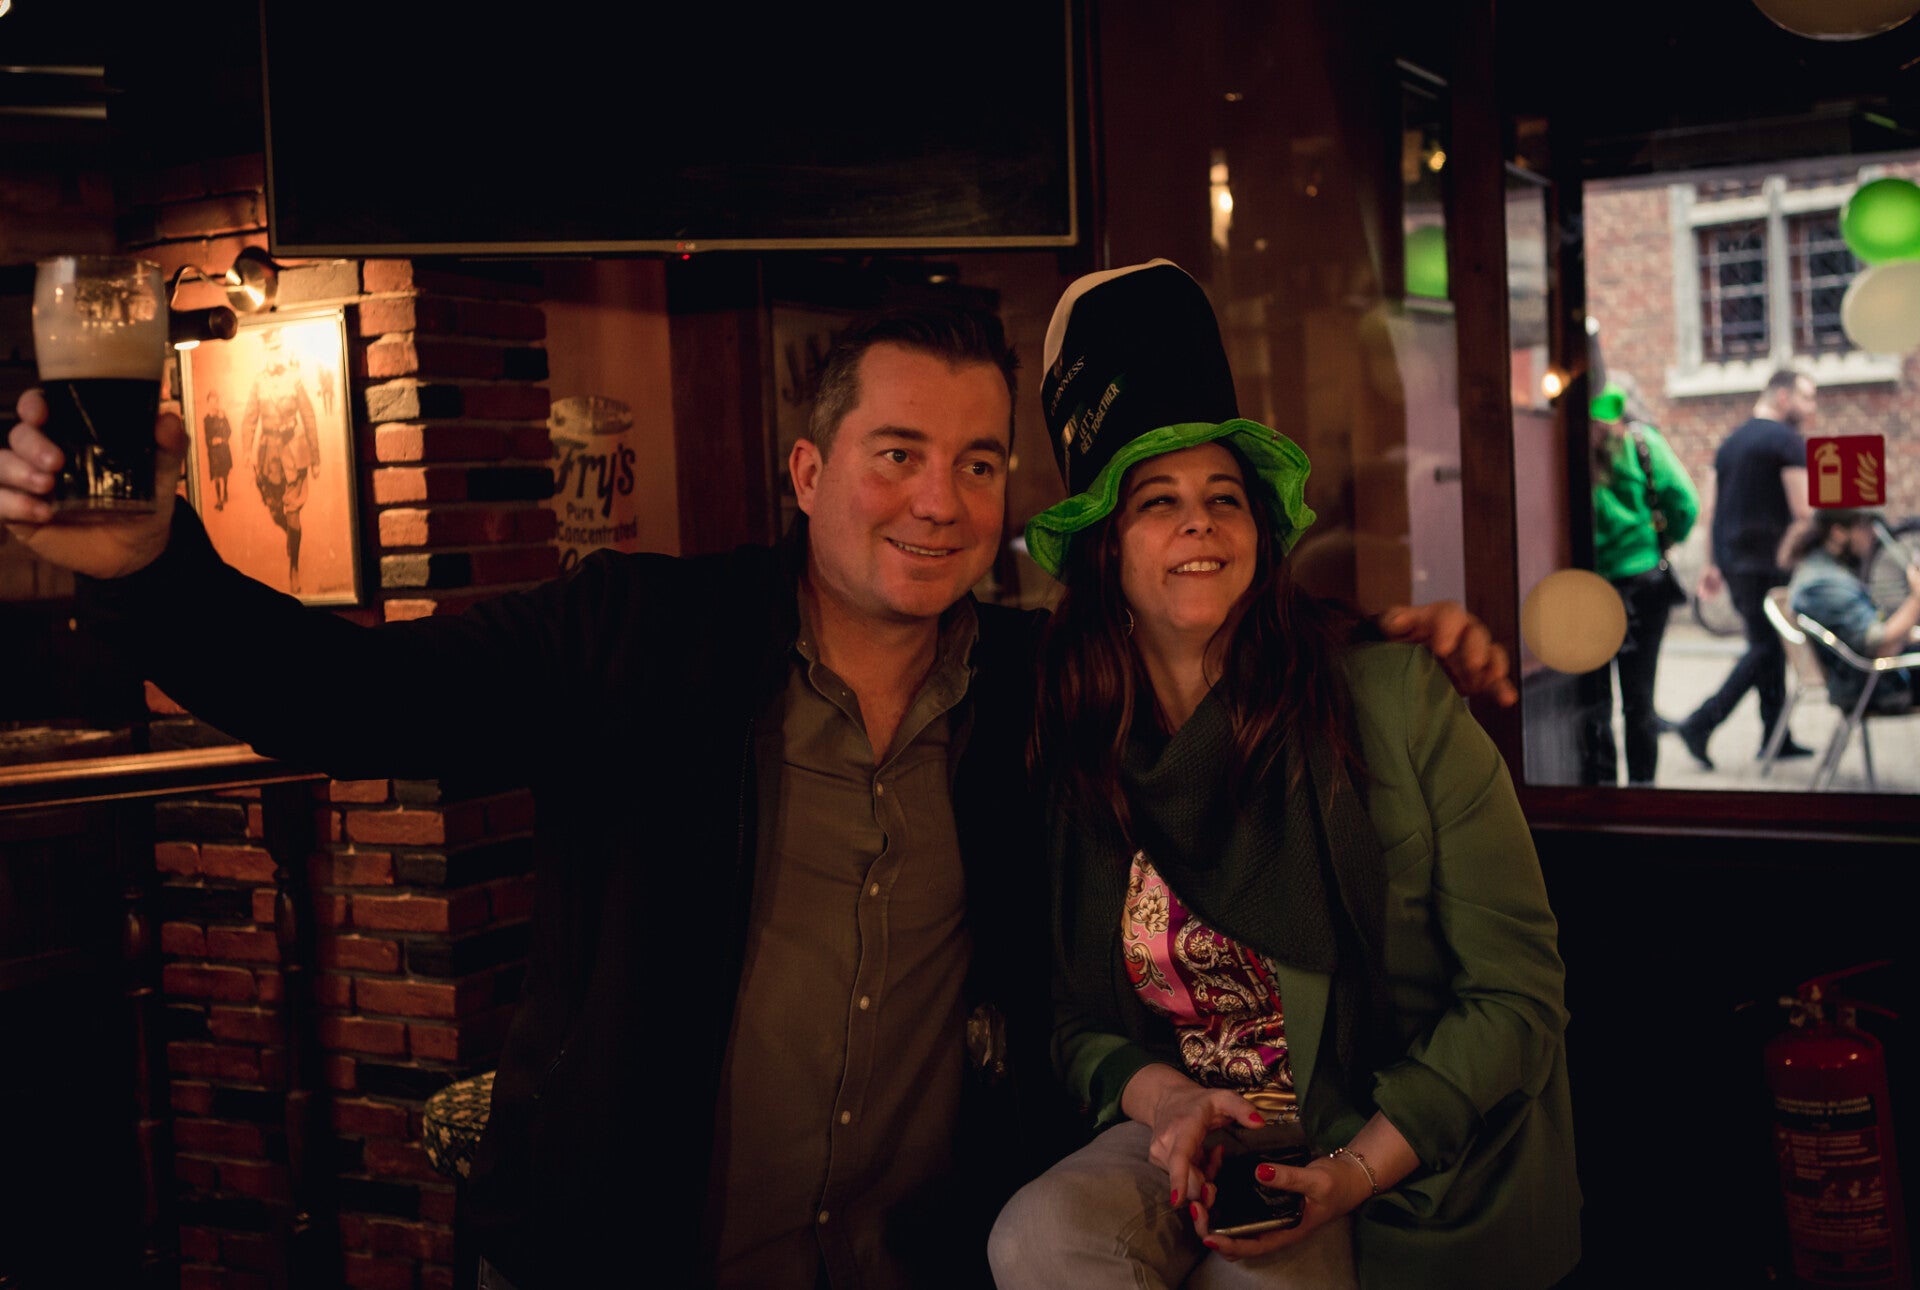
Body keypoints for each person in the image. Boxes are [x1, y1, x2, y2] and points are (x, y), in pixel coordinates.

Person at [0, 299, 1514, 1290]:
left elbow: (1198, 631)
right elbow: (352, 697)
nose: (939, 502)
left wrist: (1383, 648)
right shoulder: (633, 636)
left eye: (978, 463)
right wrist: (152, 573)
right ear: (803, 469)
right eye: (897, 453)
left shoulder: (1036, 689)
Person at [986, 261, 1579, 1290]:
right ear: (1107, 552)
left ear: (1260, 533)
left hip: (1391, 1152)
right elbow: (1078, 1028)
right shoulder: (1083, 742)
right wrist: (1173, 1103)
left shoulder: (1392, 699)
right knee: (1036, 1238)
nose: (1200, 521)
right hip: (1199, 1135)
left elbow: (1517, 997)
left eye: (1224, 497)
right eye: (1158, 501)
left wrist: (1353, 1170)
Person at [1676, 368, 1817, 770]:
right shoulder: (1787, 442)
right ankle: (1701, 723)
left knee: (1767, 646)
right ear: (1784, 397)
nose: (1812, 408)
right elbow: (1803, 511)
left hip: (1734, 561)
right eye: (1807, 398)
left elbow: (1710, 510)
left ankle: (1775, 735)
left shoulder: (1730, 443)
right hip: (1770, 563)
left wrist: (1710, 563)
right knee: (1766, 648)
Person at [1580, 378, 1698, 786]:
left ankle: (1603, 792)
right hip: (1645, 582)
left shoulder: (1566, 448)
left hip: (1589, 589)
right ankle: (1642, 792)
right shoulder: (1642, 443)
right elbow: (1685, 503)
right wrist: (1663, 539)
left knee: (1596, 702)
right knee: (1640, 700)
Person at [1781, 508, 1920, 717]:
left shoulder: (1823, 571)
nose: (1872, 535)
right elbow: (1880, 644)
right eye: (1865, 527)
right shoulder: (1824, 584)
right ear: (1839, 532)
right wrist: (1916, 599)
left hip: (1869, 677)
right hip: (1875, 685)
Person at [240, 326, 322, 594]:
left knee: (293, 511)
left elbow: (308, 416)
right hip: (269, 456)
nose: (276, 354)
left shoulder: (294, 379)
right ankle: (291, 536)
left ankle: (294, 567)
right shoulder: (258, 383)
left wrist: (316, 457)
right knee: (275, 510)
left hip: (293, 452)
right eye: (271, 349)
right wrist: (246, 450)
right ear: (265, 352)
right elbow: (249, 419)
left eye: (278, 348)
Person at [201, 388, 234, 511]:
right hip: (214, 452)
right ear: (208, 403)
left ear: (218, 402)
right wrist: (211, 442)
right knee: (216, 475)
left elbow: (229, 431)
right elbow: (207, 437)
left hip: (223, 450)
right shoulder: (206, 419)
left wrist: (222, 439)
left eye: (215, 402)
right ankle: (219, 500)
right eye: (211, 402)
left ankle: (225, 490)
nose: (213, 405)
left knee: (224, 473)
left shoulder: (222, 416)